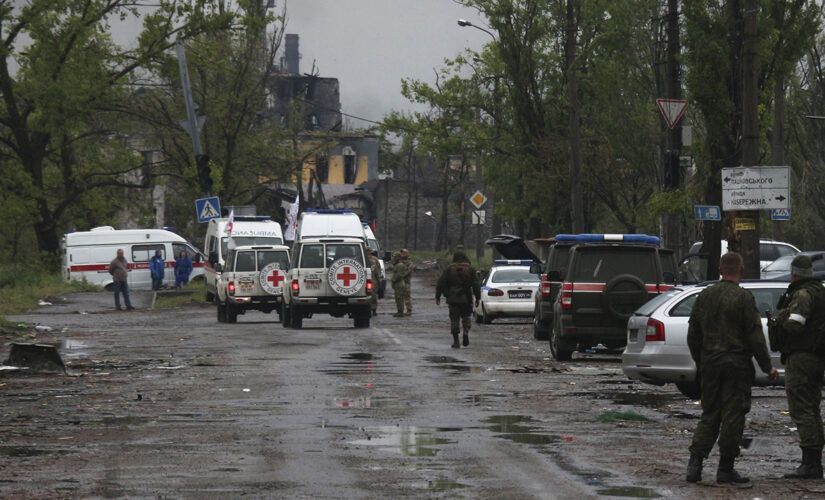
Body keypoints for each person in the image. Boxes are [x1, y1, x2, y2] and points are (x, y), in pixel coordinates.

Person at [685, 252, 778, 484]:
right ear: (742, 271)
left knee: (710, 413)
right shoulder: (744, 298)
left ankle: (694, 464)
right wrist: (768, 367)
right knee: (733, 415)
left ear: (719, 270)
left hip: (711, 363)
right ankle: (725, 468)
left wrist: (701, 360)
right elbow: (755, 336)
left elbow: (693, 333)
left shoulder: (705, 296)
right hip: (736, 365)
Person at [771, 254, 825, 479]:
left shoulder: (802, 294)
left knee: (802, 409)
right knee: (811, 408)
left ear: (794, 274)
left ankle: (810, 464)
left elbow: (795, 325)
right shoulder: (820, 291)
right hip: (816, 357)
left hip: (802, 358)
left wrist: (779, 321)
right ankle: (812, 461)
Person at [435, 250, 481, 348]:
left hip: (453, 298)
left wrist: (437, 296)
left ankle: (456, 342)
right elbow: (476, 285)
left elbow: (441, 283)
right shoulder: (470, 269)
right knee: (466, 317)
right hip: (466, 297)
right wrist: (478, 298)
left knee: (454, 319)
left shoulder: (449, 269)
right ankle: (465, 331)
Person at [390, 252, 406, 317]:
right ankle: (399, 311)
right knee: (397, 298)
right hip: (397, 284)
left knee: (400, 298)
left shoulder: (400, 265)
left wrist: (393, 280)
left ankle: (400, 312)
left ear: (399, 257)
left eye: (395, 257)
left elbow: (399, 275)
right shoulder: (397, 264)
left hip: (399, 284)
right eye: (394, 257)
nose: (394, 258)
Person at [399, 249, 413, 315]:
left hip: (406, 281)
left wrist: (401, 274)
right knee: (400, 296)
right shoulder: (400, 261)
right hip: (400, 282)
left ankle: (409, 310)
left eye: (404, 253)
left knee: (407, 296)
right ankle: (400, 310)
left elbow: (408, 271)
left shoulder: (409, 263)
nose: (402, 255)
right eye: (401, 253)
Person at [367, 248, 381, 317]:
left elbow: (378, 271)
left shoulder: (374, 260)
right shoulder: (361, 258)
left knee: (373, 296)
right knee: (371, 296)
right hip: (370, 279)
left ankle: (373, 310)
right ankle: (371, 309)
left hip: (372, 280)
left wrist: (379, 281)